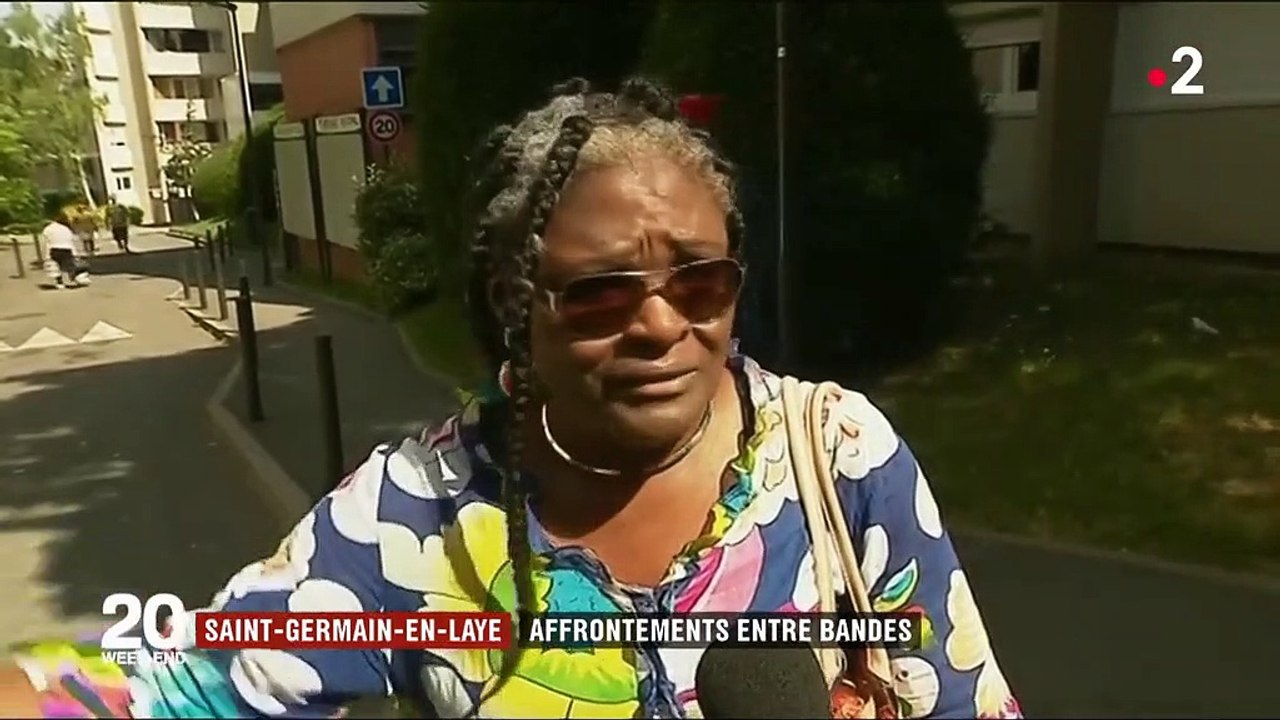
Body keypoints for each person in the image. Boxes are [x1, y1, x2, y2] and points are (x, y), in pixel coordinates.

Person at [1, 77, 1021, 719]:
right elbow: (186, 682)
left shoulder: (837, 456)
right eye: (601, 292)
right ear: (512, 304)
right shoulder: (415, 518)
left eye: (700, 281)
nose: (662, 323)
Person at [39, 212, 82, 288]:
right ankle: (72, 279)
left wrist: (46, 255)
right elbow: (71, 241)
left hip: (54, 249)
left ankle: (59, 282)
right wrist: (75, 253)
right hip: (67, 249)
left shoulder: (48, 229)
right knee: (68, 265)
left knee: (56, 266)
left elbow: (46, 242)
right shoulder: (66, 229)